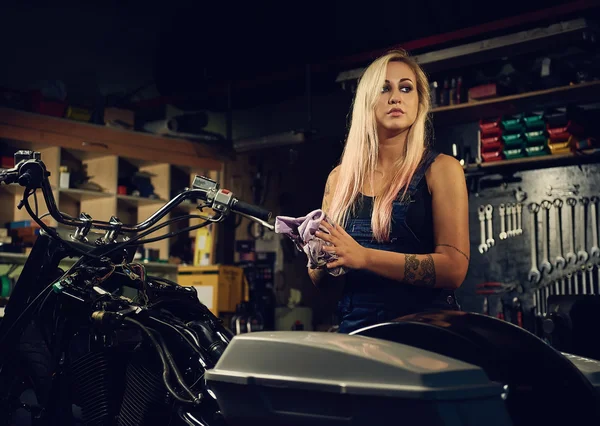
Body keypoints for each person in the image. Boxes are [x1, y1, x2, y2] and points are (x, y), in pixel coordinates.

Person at [308, 49, 470, 334]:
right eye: (384, 88)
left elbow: (454, 269)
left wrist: (364, 257)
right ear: (367, 102)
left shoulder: (442, 169)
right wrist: (318, 257)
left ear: (419, 103)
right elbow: (323, 284)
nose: (396, 97)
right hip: (356, 334)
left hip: (424, 335)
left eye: (406, 88)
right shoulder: (340, 179)